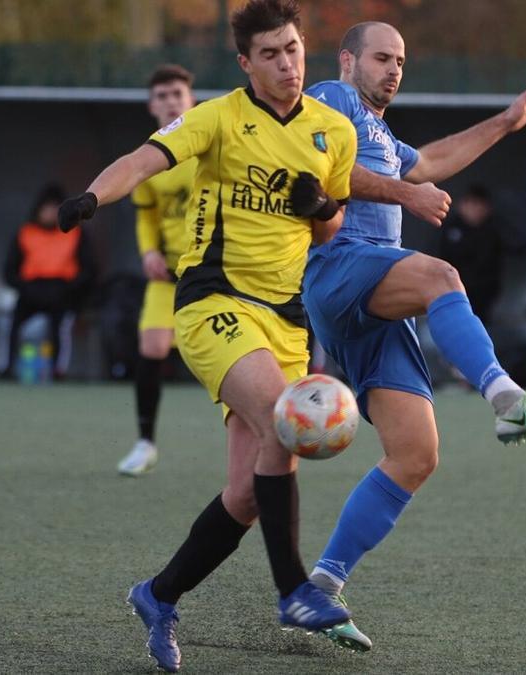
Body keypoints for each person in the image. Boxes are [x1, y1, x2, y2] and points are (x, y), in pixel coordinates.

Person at [56, 1, 357, 670]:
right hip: (213, 302)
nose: (287, 62)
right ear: (245, 64)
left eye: (293, 48)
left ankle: (158, 595)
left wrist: (321, 209)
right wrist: (91, 198)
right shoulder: (218, 117)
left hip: (285, 320)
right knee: (286, 419)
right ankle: (294, 591)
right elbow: (144, 158)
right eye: (271, 54)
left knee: (250, 492)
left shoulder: (334, 131)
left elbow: (331, 227)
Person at [301, 22, 526, 651]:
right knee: (440, 274)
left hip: (376, 297)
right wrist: (407, 192)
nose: (394, 69)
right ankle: (508, 400)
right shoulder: (332, 99)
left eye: (401, 60)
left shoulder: (383, 134)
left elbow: (434, 160)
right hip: (339, 267)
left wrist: (510, 120)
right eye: (381, 57)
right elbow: (318, 176)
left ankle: (322, 585)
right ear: (349, 60)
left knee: (416, 454)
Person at [116, 64, 197, 477]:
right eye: (162, 96)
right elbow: (146, 216)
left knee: (229, 363)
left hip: (211, 275)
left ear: (191, 101)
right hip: (168, 277)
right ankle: (145, 442)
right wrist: (148, 252)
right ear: (152, 105)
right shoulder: (147, 157)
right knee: (150, 349)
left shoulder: (206, 147)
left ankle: (259, 442)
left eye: (177, 94)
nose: (170, 102)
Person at [0, 183, 96, 381]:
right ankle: (6, 369)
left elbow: (89, 270)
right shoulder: (26, 233)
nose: (50, 213)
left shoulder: (75, 233)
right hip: (30, 290)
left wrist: (70, 289)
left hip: (61, 290)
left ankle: (58, 371)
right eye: (47, 208)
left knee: (60, 327)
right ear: (38, 209)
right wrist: (23, 287)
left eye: (55, 209)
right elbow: (9, 270)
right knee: (11, 324)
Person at [438, 184, 505, 323]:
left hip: (484, 295)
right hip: (453, 294)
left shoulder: (493, 230)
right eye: (472, 204)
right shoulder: (449, 229)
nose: (476, 210)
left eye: (480, 205)